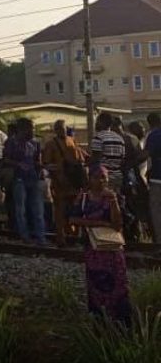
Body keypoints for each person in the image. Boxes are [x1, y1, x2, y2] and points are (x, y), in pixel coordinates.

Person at [69, 164, 132, 325]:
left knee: (118, 284)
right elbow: (73, 219)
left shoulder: (114, 197)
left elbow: (118, 224)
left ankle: (120, 319)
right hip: (94, 249)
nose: (101, 181)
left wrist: (113, 203)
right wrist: (98, 223)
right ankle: (99, 318)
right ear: (90, 179)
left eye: (103, 177)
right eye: (97, 177)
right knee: (96, 283)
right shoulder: (83, 198)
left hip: (112, 250)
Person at [42, 119, 85, 247]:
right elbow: (81, 160)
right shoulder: (69, 141)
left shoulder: (56, 143)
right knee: (67, 211)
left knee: (66, 211)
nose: (62, 130)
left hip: (65, 183)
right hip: (66, 183)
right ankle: (67, 237)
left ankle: (68, 236)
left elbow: (46, 163)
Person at [3, 118, 46, 245]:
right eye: (31, 128)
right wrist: (18, 164)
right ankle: (24, 235)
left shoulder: (35, 143)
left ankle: (40, 237)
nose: (33, 131)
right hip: (19, 179)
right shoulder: (11, 142)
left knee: (38, 209)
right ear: (23, 129)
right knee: (20, 210)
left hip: (33, 178)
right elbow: (5, 159)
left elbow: (38, 159)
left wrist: (41, 166)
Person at [90, 112, 126, 194]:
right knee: (115, 202)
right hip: (118, 177)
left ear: (101, 122)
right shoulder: (119, 138)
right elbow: (122, 160)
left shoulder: (98, 137)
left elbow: (96, 159)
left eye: (97, 121)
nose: (96, 123)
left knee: (104, 204)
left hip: (103, 178)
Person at [143, 113, 161, 245]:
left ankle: (159, 242)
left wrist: (127, 165)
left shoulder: (154, 135)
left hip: (157, 179)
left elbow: (145, 154)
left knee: (156, 211)